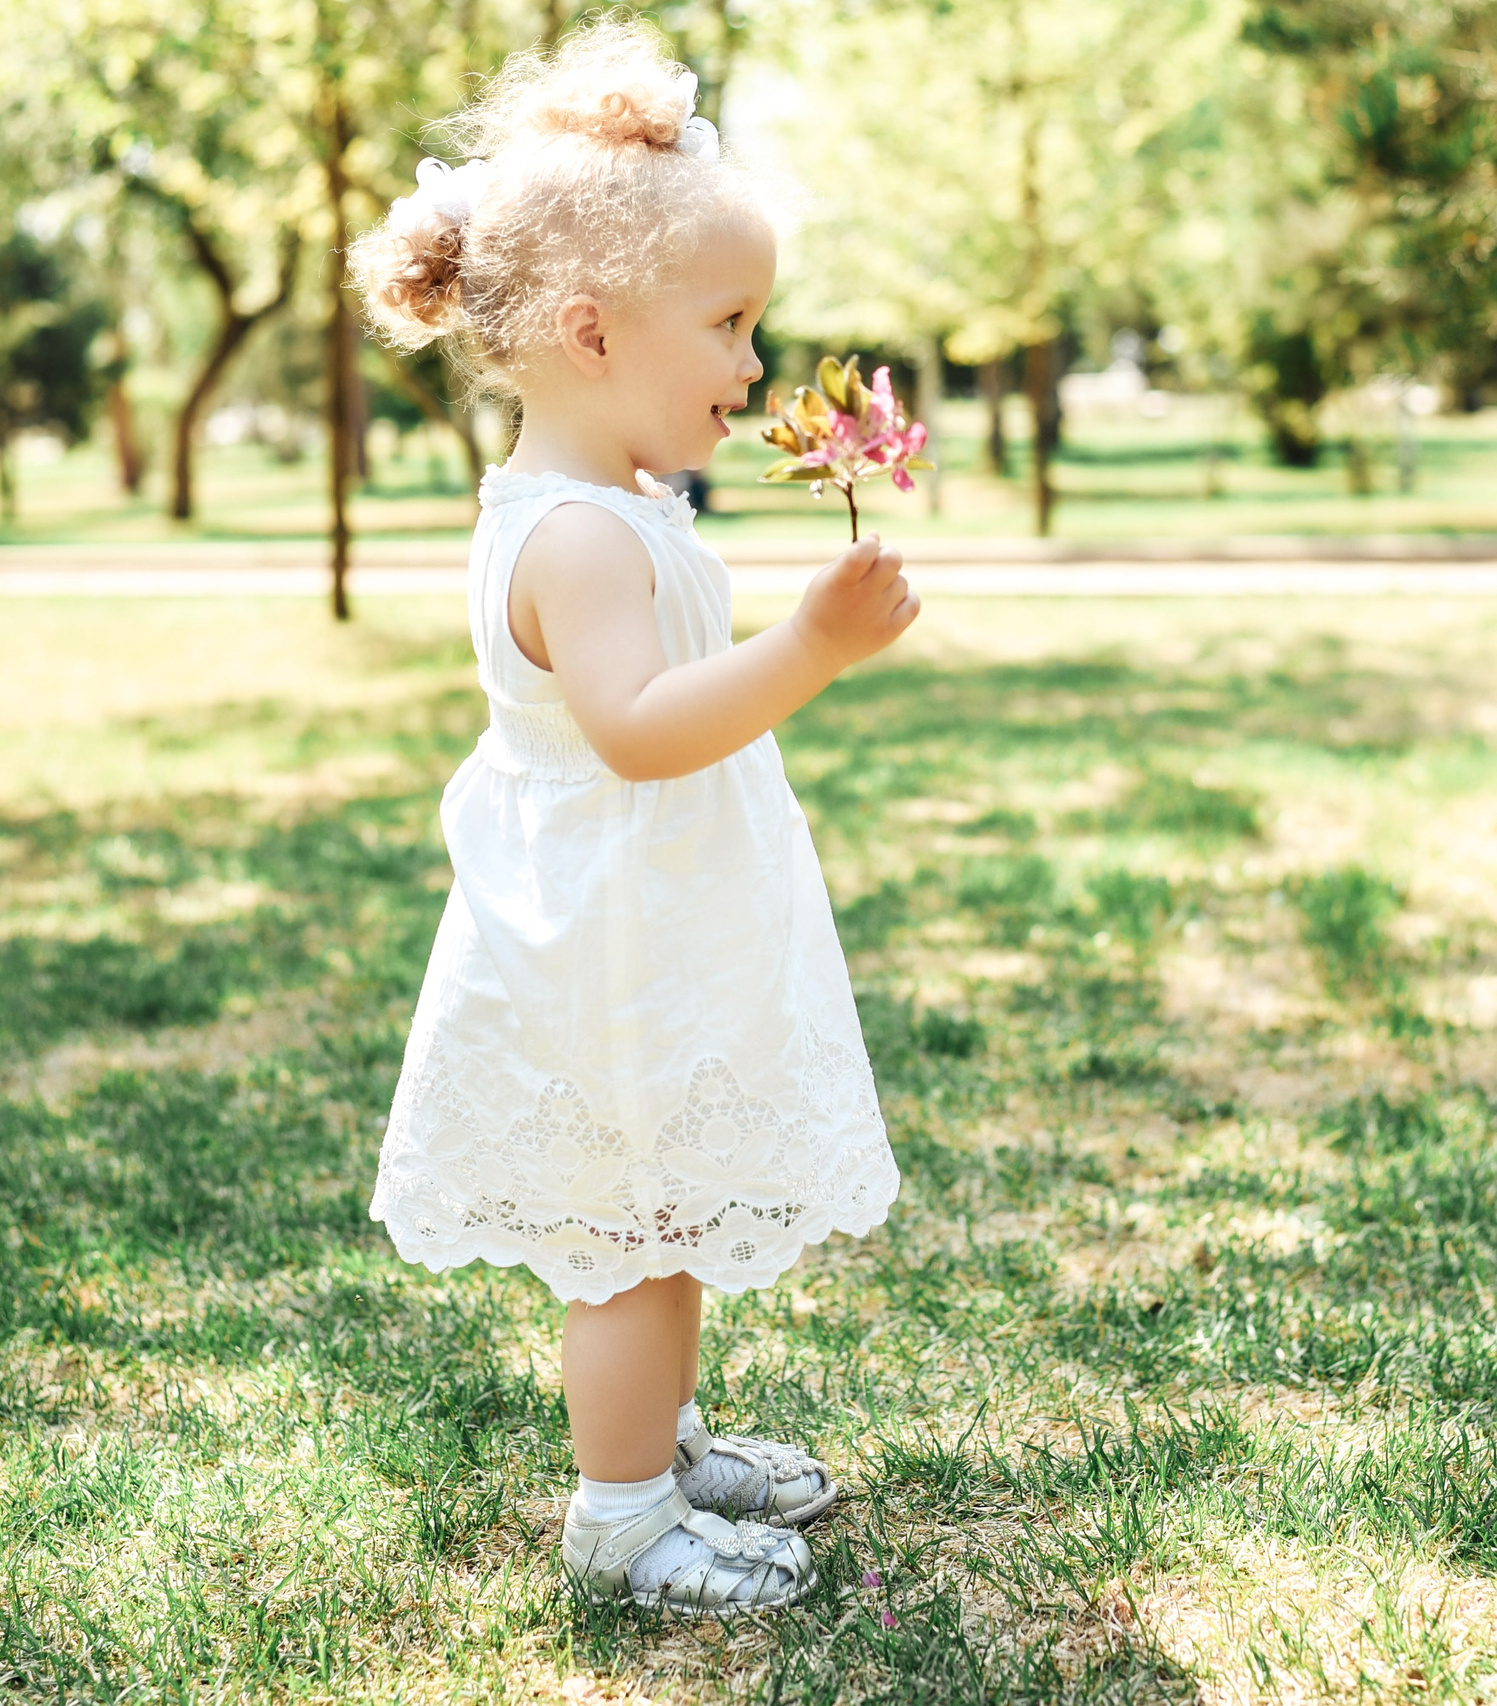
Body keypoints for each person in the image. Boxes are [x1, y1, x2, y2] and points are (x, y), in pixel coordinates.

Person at [347, 21, 916, 1619]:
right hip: (603, 938)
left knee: (659, 1214)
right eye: (729, 326)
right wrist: (810, 648)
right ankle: (619, 1515)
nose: (752, 365)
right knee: (625, 1234)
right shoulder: (579, 541)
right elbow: (642, 731)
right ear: (590, 333)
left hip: (647, 920)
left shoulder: (622, 503)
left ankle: (654, 1446)